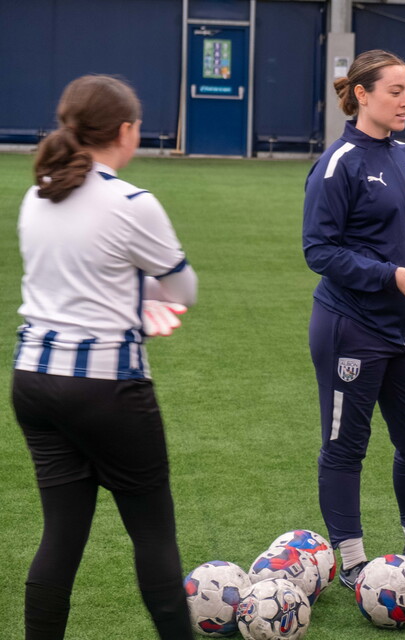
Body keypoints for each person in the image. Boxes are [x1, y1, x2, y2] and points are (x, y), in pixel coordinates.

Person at [12, 75, 198, 640]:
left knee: (61, 537)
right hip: (107, 389)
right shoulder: (131, 202)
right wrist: (143, 304)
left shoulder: (38, 192)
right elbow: (182, 291)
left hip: (33, 381)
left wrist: (130, 301)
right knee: (153, 536)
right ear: (125, 131)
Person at [302, 49, 405, 589]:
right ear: (363, 95)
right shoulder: (337, 163)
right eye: (395, 91)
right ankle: (350, 560)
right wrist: (386, 275)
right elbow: (319, 250)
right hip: (352, 326)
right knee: (346, 447)